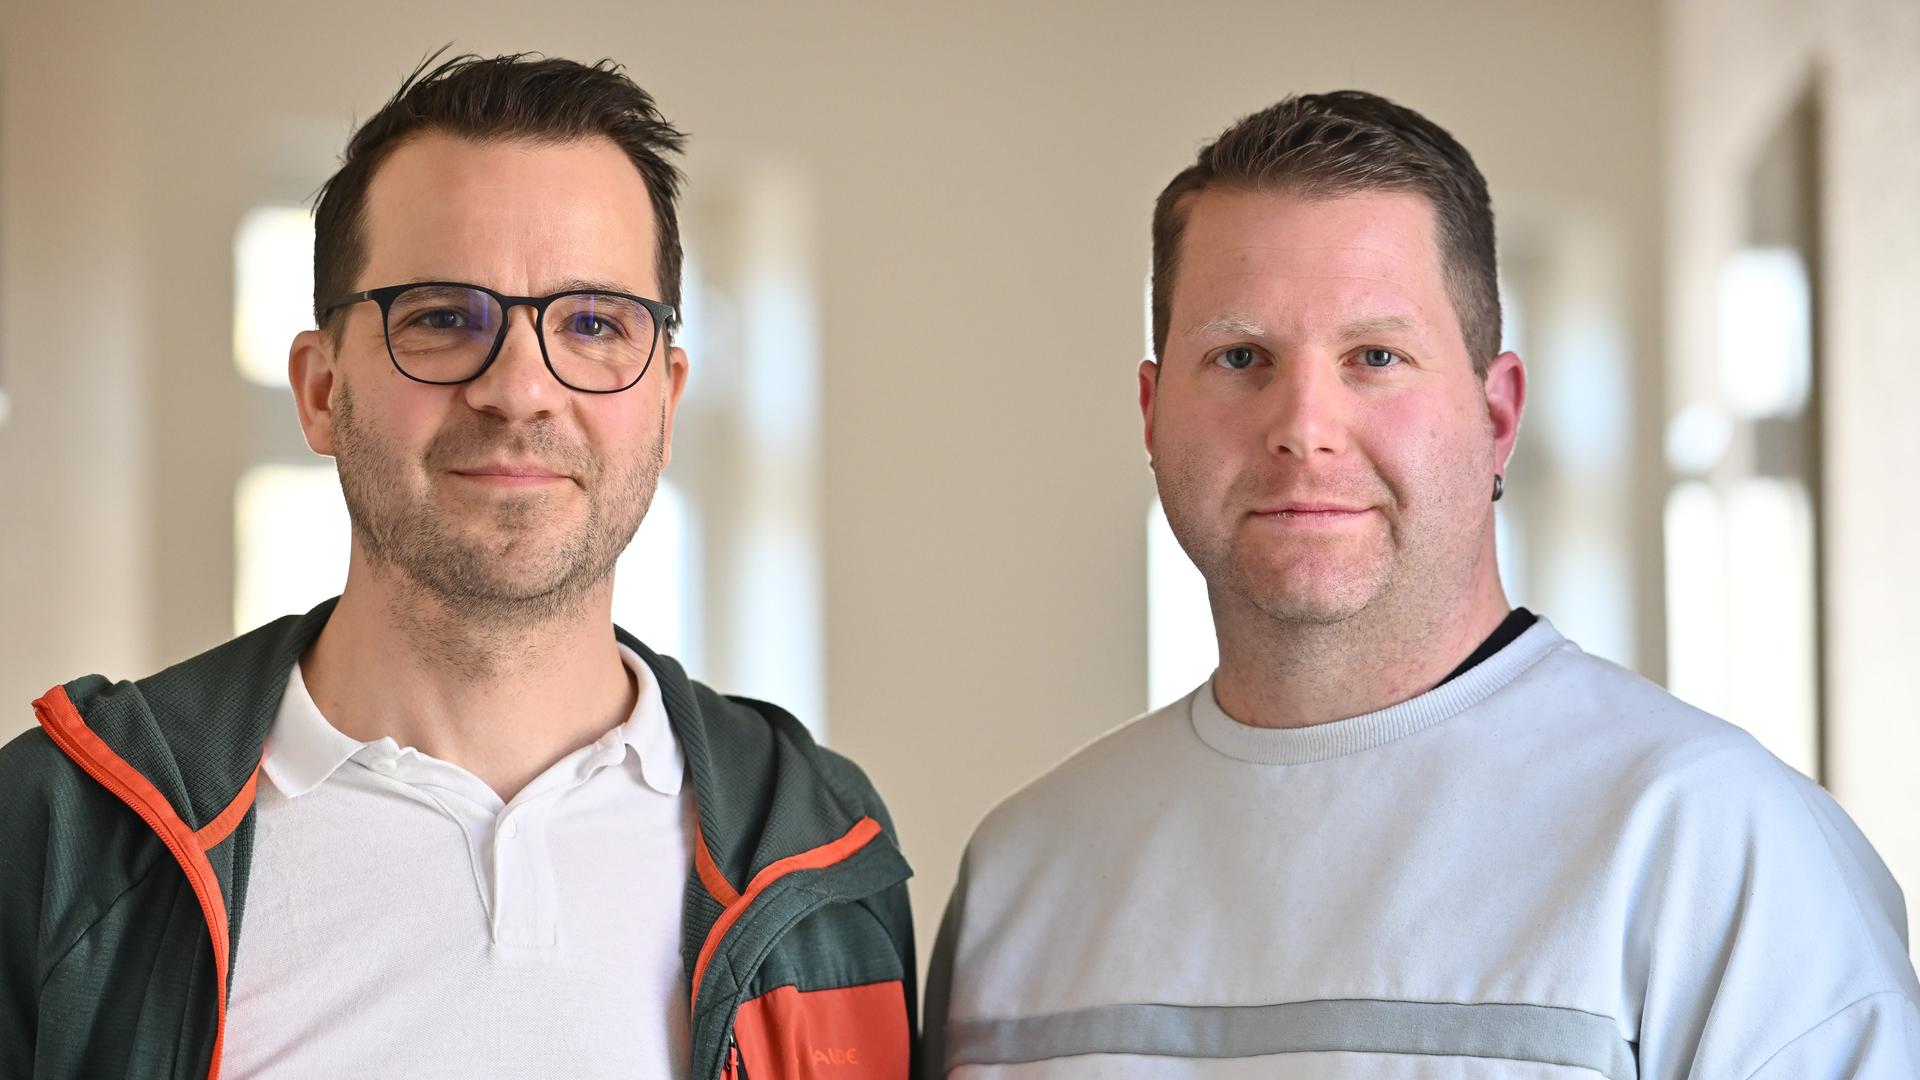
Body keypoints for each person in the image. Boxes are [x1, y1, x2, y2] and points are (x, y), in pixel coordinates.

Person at [923, 91, 1919, 1078]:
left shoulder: (1718, 850)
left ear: (1498, 413)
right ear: (1150, 414)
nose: (1304, 426)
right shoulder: (1024, 874)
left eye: (1375, 357)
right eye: (1239, 357)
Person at [0, 53, 914, 1080]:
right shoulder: (60, 836)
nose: (519, 388)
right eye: (441, 317)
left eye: (596, 323)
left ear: (666, 399)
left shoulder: (828, 847)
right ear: (318, 389)